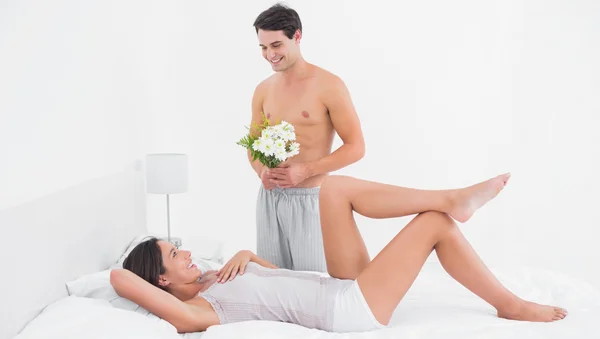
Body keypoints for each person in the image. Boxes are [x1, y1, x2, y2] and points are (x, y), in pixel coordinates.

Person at [111, 173, 567, 333]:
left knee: (334, 189)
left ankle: (449, 197)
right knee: (434, 225)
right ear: (163, 280)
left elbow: (277, 279)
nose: (186, 251)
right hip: (349, 310)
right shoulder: (197, 311)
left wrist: (248, 253)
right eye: (174, 254)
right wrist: (125, 268)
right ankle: (510, 305)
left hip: (340, 286)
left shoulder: (214, 279)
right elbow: (119, 279)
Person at [247, 3, 366, 272]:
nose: (270, 55)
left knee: (315, 285)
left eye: (276, 45)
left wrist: (306, 170)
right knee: (273, 284)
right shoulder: (263, 90)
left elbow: (356, 147)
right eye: (263, 48)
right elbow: (253, 146)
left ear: (297, 36)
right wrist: (261, 171)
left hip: (312, 198)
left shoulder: (329, 86)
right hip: (270, 199)